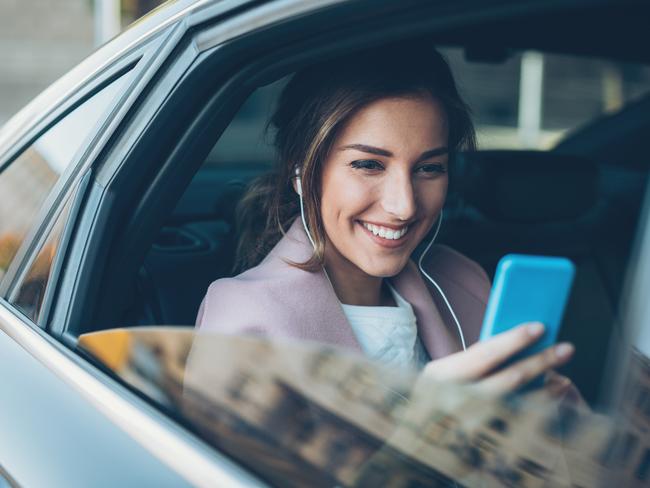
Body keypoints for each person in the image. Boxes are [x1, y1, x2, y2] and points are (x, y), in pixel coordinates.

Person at [196, 43, 576, 395]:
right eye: (368, 165)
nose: (404, 206)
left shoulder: (463, 280)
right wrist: (427, 427)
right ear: (301, 168)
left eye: (429, 168)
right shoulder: (245, 318)